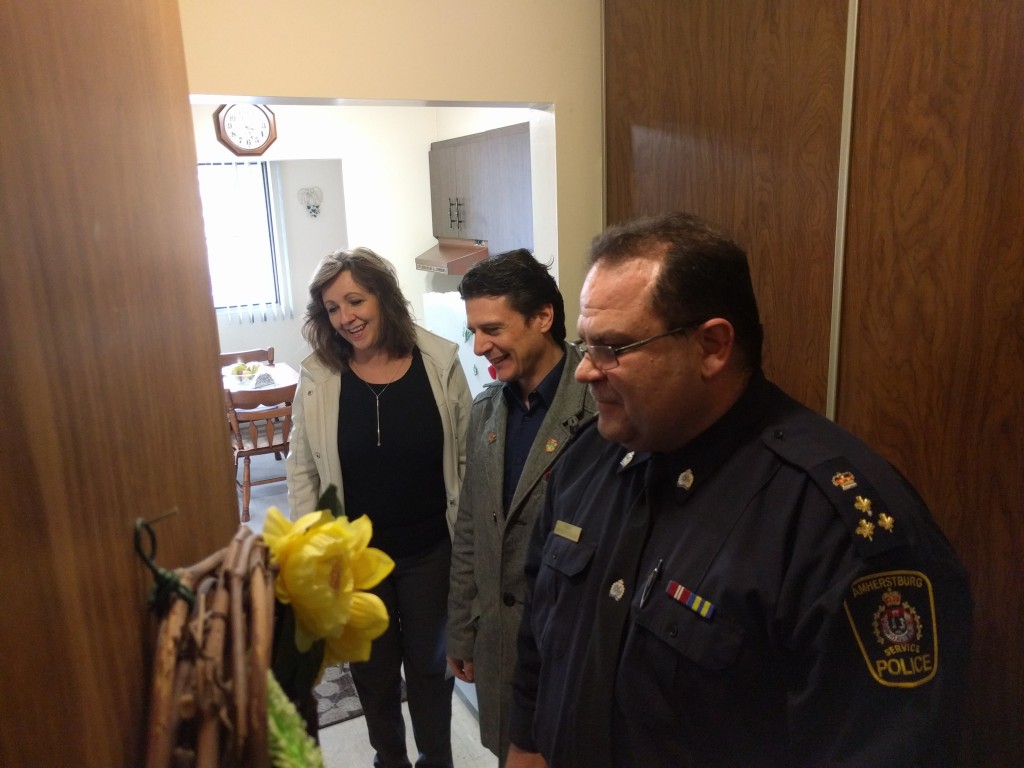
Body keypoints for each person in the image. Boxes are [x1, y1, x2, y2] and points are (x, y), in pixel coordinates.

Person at [506, 212, 973, 767]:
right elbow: (541, 637)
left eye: (614, 348)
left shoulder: (830, 527)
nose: (585, 372)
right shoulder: (589, 458)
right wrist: (525, 748)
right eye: (586, 346)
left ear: (712, 347)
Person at [287, 247, 472, 768]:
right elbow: (302, 470)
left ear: (382, 298)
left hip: (430, 552)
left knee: (431, 668)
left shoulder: (439, 363)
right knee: (372, 672)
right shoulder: (320, 378)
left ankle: (437, 759)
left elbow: (465, 458)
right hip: (355, 559)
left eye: (355, 300)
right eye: (332, 308)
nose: (345, 317)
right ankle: (388, 759)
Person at [446, 249, 596, 765]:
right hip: (501, 648)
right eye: (474, 331)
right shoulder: (487, 411)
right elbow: (471, 531)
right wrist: (463, 629)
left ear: (542, 318)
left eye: (492, 328)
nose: (481, 346)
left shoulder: (601, 406)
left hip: (571, 653)